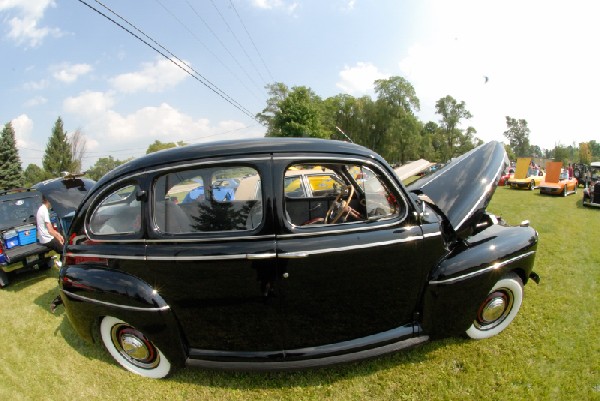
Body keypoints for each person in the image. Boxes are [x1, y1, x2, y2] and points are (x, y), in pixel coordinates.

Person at [36, 195, 64, 265]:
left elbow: (51, 229)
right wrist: (59, 239)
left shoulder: (42, 209)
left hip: (45, 238)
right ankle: (61, 264)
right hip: (47, 239)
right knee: (64, 250)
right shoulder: (44, 211)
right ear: (48, 200)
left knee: (63, 239)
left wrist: (59, 235)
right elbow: (50, 231)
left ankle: (61, 262)